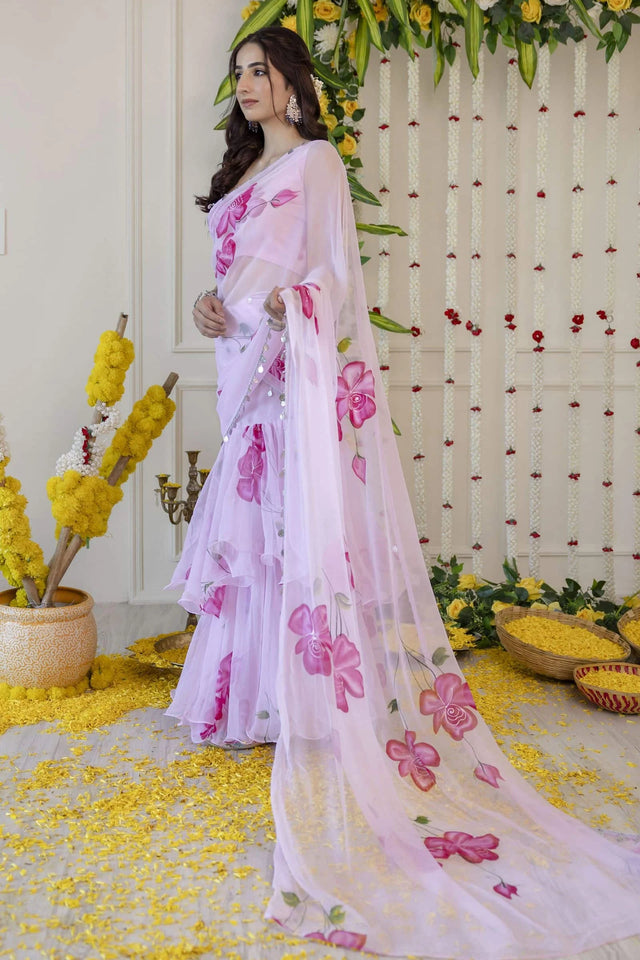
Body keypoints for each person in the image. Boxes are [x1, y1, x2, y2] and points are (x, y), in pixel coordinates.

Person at [167, 26, 640, 960]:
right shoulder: (248, 174)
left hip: (288, 380)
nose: (249, 84)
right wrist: (210, 309)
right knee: (255, 544)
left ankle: (303, 710)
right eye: (240, 73)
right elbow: (235, 281)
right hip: (248, 377)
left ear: (294, 81)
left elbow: (329, 281)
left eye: (262, 70)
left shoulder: (315, 165)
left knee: (290, 540)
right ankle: (251, 706)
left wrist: (279, 308)